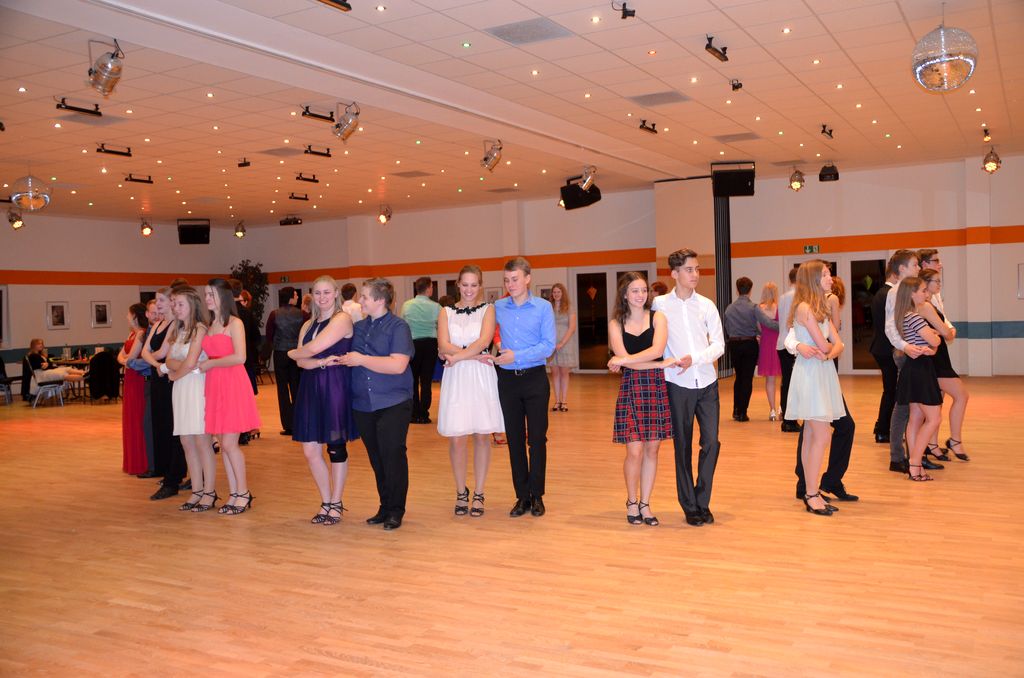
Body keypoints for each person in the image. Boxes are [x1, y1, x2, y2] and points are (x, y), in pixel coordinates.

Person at [652, 248, 725, 527]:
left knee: (711, 443)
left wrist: (694, 358)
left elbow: (719, 344)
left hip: (706, 382)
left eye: (697, 269)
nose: (695, 274)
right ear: (674, 273)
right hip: (677, 384)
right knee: (681, 446)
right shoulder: (659, 305)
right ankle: (690, 506)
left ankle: (702, 500)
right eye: (689, 270)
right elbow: (652, 341)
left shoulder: (706, 305)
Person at [339, 278, 414, 530]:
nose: (360, 300)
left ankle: (396, 510)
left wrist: (361, 359)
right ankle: (385, 506)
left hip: (393, 401)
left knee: (393, 455)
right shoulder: (358, 327)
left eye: (364, 296)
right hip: (363, 404)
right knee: (377, 457)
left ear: (380, 300)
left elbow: (398, 365)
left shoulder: (398, 327)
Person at [288, 276, 357, 526]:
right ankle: (326, 501)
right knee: (310, 450)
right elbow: (302, 361)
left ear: (336, 293)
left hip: (335, 384)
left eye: (327, 292)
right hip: (311, 384)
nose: (322, 297)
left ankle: (336, 503)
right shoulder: (307, 324)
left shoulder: (342, 319)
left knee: (335, 446)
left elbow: (310, 350)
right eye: (317, 293)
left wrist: (293, 353)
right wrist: (317, 362)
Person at [436, 265, 504, 518]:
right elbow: (442, 344)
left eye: (474, 285)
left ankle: (479, 492)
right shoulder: (445, 312)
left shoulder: (489, 309)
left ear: (480, 286)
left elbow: (484, 341)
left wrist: (457, 356)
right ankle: (460, 491)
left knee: (482, 435)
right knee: (457, 437)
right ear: (458, 284)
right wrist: (470, 356)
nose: (469, 289)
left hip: (480, 376)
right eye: (465, 284)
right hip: (457, 375)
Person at [607, 272, 673, 526]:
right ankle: (632, 501)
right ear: (625, 294)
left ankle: (645, 504)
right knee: (634, 451)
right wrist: (658, 364)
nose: (640, 295)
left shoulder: (658, 317)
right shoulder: (616, 323)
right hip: (632, 387)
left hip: (655, 387)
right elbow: (641, 362)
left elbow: (657, 350)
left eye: (643, 290)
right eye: (635, 290)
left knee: (652, 449)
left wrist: (623, 360)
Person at [494, 257, 556, 517]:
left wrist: (516, 355)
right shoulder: (497, 307)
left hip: (535, 379)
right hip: (508, 381)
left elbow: (548, 346)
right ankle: (522, 496)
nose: (511, 284)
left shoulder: (543, 307)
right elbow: (484, 334)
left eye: (515, 279)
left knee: (537, 439)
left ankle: (537, 495)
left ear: (528, 278)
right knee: (515, 440)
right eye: (507, 280)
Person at [784, 261, 846, 516]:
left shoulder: (820, 307)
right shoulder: (805, 307)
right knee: (821, 436)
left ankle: (811, 492)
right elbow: (825, 343)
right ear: (813, 279)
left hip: (821, 371)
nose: (831, 278)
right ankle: (811, 493)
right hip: (810, 374)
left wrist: (829, 353)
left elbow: (838, 344)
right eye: (825, 275)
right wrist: (829, 350)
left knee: (812, 436)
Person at [200, 278, 262, 514]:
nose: (207, 298)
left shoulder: (235, 323)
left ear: (223, 297)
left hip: (233, 383)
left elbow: (240, 357)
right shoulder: (209, 324)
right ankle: (235, 493)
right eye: (206, 294)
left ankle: (243, 492)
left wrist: (211, 364)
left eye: (211, 294)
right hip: (215, 384)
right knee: (224, 445)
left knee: (229, 444)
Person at [163, 286, 218, 512]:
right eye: (174, 304)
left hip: (196, 387)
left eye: (180, 304)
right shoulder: (178, 330)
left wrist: (174, 373)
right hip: (181, 387)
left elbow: (191, 361)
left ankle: (209, 492)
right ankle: (196, 490)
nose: (176, 308)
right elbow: (168, 360)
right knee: (186, 442)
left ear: (192, 305)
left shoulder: (200, 329)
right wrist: (178, 368)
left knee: (202, 441)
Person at [882, 250, 932, 473]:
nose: (919, 268)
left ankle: (916, 454)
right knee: (903, 407)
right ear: (902, 269)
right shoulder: (896, 292)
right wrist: (905, 347)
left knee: (915, 408)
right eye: (914, 265)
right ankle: (898, 456)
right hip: (906, 354)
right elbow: (890, 326)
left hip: (913, 352)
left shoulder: (912, 289)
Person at [917, 268, 970, 462]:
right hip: (935, 360)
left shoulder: (930, 303)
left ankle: (932, 445)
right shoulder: (924, 306)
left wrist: (947, 331)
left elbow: (946, 330)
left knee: (937, 402)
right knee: (961, 396)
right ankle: (955, 440)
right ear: (925, 283)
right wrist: (948, 332)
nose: (939, 284)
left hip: (938, 357)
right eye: (936, 281)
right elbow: (947, 333)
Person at [893, 277, 943, 481]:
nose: (926, 294)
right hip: (921, 369)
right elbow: (935, 341)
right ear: (912, 294)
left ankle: (916, 464)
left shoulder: (903, 316)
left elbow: (931, 344)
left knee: (915, 418)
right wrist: (934, 337)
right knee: (934, 418)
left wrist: (932, 341)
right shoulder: (914, 317)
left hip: (912, 368)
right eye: (923, 290)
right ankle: (915, 463)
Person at [141, 288, 187, 501]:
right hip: (158, 376)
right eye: (156, 300)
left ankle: (173, 476)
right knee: (160, 426)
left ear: (170, 302)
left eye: (161, 300)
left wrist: (157, 363)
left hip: (168, 378)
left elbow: (162, 352)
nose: (158, 304)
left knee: (171, 427)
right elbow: (145, 352)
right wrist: (156, 365)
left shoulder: (174, 324)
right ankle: (169, 472)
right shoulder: (158, 324)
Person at [723, 276, 776, 422]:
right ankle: (742, 412)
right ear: (750, 290)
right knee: (747, 378)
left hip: (734, 344)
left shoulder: (729, 308)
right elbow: (767, 323)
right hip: (749, 344)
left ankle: (736, 410)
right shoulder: (753, 307)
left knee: (738, 377)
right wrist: (782, 327)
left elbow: (726, 327)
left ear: (737, 290)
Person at [401, 276, 442, 424]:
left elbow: (403, 326)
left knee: (412, 380)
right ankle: (424, 414)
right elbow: (441, 327)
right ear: (429, 288)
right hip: (430, 345)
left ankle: (414, 414)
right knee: (426, 381)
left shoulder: (407, 305)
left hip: (413, 344)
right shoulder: (437, 307)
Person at [118, 303, 150, 476]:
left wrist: (125, 361)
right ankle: (133, 460)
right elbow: (120, 356)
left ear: (135, 316)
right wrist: (125, 361)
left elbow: (129, 358)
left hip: (137, 378)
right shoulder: (132, 334)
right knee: (130, 417)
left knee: (137, 416)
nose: (126, 317)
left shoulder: (141, 333)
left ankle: (140, 461)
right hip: (130, 377)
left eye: (128, 314)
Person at [266, 286, 303, 436]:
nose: (297, 297)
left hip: (280, 353)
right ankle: (299, 423)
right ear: (290, 297)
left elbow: (269, 335)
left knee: (282, 390)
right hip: (296, 354)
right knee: (296, 388)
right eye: (295, 295)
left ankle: (288, 425)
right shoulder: (302, 314)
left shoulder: (274, 314)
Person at [776, 267, 801, 432]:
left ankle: (787, 418)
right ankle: (790, 420)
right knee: (794, 384)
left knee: (786, 382)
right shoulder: (799, 296)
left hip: (781, 343)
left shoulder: (783, 297)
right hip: (793, 345)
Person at [547, 283, 578, 412]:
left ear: (563, 293)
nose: (556, 294)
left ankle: (564, 401)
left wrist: (562, 343)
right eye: (554, 292)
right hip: (552, 343)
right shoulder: (548, 307)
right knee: (554, 373)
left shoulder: (569, 307)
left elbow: (572, 327)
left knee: (564, 373)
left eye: (558, 292)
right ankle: (557, 401)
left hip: (566, 343)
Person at [757, 282, 781, 420]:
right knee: (783, 377)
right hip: (778, 344)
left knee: (770, 379)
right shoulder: (779, 307)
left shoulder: (759, 308)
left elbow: (759, 328)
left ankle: (772, 410)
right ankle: (782, 407)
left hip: (766, 344)